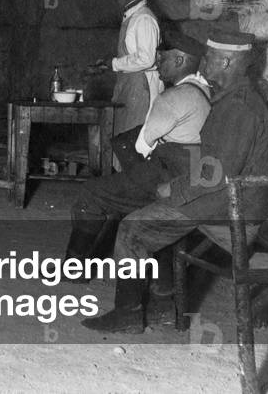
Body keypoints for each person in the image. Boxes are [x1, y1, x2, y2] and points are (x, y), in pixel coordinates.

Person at [81, 31, 268, 334]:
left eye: (209, 58)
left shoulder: (239, 107)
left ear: (226, 61)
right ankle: (161, 310)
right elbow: (213, 162)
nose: (203, 64)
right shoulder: (230, 100)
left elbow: (216, 173)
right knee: (153, 215)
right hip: (225, 198)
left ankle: (128, 314)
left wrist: (174, 189)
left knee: (133, 228)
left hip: (231, 208)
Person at [65, 31, 211, 288]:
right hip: (192, 172)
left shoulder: (173, 97)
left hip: (168, 174)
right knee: (125, 183)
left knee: (92, 192)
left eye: (162, 58)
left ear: (179, 60)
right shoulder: (204, 90)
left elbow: (143, 146)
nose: (157, 64)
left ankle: (74, 269)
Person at [96, 0, 162, 138]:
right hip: (130, 86)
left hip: (141, 88)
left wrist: (115, 64)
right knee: (122, 136)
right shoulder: (132, 17)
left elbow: (146, 59)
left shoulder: (143, 18)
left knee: (133, 138)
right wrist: (110, 64)